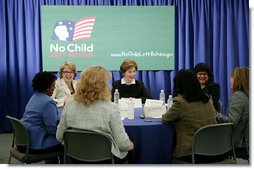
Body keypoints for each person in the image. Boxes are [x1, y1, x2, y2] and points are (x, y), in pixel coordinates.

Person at [56, 66, 134, 163]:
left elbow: (59, 136)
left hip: (75, 158)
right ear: (103, 85)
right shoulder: (111, 108)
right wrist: (131, 145)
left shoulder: (69, 105)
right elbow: (122, 144)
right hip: (106, 160)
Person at [162, 69, 218, 163]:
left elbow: (165, 119)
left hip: (190, 153)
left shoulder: (180, 102)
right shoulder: (208, 99)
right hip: (216, 150)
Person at [20, 72, 63, 163]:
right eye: (53, 86)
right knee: (67, 142)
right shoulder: (48, 102)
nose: (54, 88)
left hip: (24, 142)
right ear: (47, 88)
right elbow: (52, 130)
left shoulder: (34, 97)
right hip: (36, 144)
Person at [217, 67, 249, 158]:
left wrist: (216, 114)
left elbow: (231, 122)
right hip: (245, 145)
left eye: (232, 77)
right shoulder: (247, 96)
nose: (230, 80)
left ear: (238, 80)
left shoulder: (238, 96)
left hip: (235, 145)